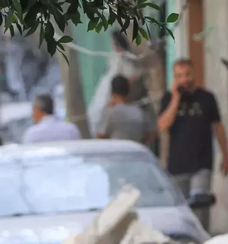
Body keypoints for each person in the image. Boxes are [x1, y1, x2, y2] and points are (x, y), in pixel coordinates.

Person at [158, 58, 228, 213]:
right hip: (177, 166)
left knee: (200, 209)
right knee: (181, 213)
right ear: (175, 78)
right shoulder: (168, 98)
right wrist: (176, 99)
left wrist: (225, 155)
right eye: (179, 76)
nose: (184, 79)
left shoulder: (207, 98)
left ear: (193, 73)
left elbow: (218, 127)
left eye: (187, 74)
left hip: (201, 164)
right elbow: (163, 126)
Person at [97, 75, 155, 144]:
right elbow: (151, 135)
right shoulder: (140, 112)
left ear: (112, 93)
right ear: (128, 91)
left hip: (115, 152)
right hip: (135, 152)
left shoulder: (109, 112)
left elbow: (100, 136)